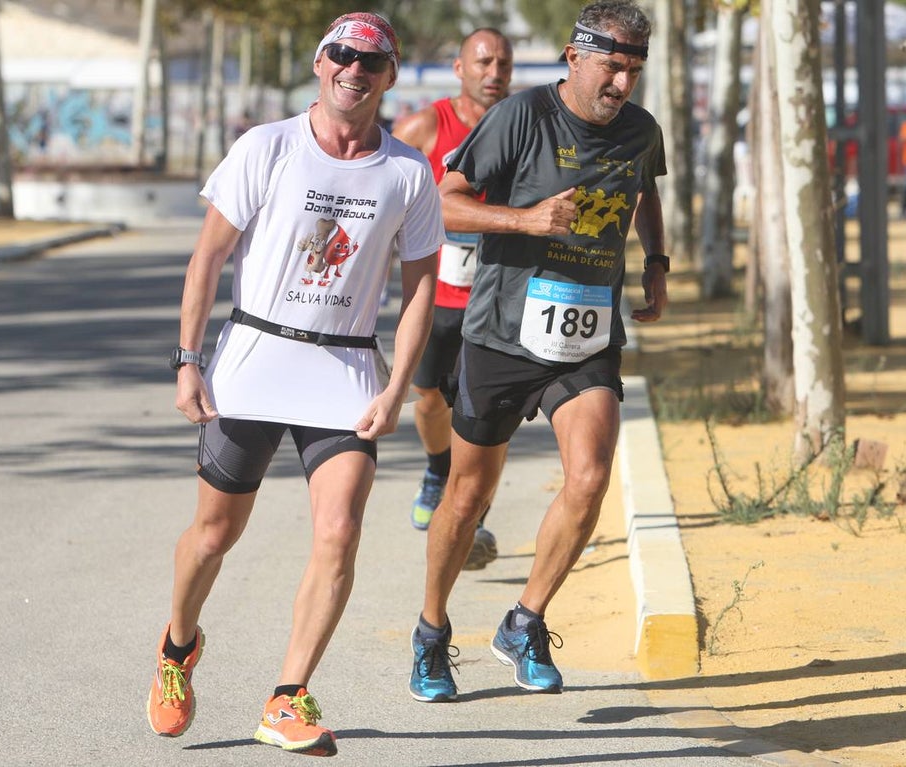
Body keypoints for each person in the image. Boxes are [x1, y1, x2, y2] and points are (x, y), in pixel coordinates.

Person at [147, 12, 444, 756]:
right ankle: (178, 646)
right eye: (341, 54)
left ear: (390, 76)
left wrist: (397, 384)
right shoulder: (268, 146)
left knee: (340, 530)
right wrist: (187, 358)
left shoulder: (408, 173)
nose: (354, 68)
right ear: (320, 63)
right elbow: (207, 259)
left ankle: (287, 696)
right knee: (216, 532)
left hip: (345, 368)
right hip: (253, 359)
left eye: (371, 60)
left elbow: (419, 293)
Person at [408, 0, 668, 702]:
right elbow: (444, 199)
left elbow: (644, 187)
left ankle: (525, 620)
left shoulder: (642, 129)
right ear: (575, 55)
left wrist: (657, 261)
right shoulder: (521, 117)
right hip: (502, 331)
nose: (622, 83)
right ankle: (432, 631)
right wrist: (523, 218)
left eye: (634, 70)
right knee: (467, 497)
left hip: (585, 334)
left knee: (589, 476)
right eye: (612, 66)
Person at [392, 28, 514, 570]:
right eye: (484, 62)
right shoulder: (424, 127)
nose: (495, 73)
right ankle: (438, 469)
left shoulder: (525, 122)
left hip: (498, 300)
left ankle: (474, 514)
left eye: (504, 64)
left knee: (482, 411)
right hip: (435, 297)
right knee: (431, 400)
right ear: (459, 67)